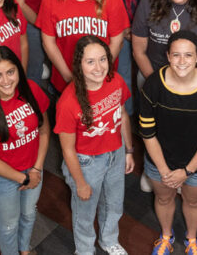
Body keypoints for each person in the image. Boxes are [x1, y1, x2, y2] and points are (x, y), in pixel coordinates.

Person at [138, 31, 197, 255]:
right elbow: (147, 133)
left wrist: (187, 171)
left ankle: (192, 238)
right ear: (168, 56)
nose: (181, 61)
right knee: (163, 197)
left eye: (188, 55)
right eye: (176, 55)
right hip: (160, 163)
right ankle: (166, 235)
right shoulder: (153, 85)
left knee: (193, 202)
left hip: (196, 164)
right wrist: (165, 170)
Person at [55, 36, 133, 255]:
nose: (98, 68)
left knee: (114, 204)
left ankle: (109, 240)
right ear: (79, 65)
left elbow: (123, 114)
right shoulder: (68, 102)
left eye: (102, 59)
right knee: (85, 213)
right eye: (90, 62)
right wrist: (80, 182)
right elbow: (67, 148)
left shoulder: (116, 80)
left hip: (115, 152)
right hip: (87, 163)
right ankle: (84, 249)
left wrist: (128, 150)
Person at [0, 47, 50, 255]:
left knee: (29, 214)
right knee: (9, 224)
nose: (6, 81)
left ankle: (24, 249)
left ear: (18, 71)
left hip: (33, 169)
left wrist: (37, 169)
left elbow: (44, 131)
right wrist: (23, 179)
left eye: (10, 72)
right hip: (0, 178)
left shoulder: (31, 89)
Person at [37, 0, 131, 92]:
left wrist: (99, 74)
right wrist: (68, 78)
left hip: (102, 79)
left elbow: (117, 42)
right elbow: (48, 43)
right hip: (66, 80)